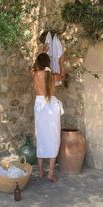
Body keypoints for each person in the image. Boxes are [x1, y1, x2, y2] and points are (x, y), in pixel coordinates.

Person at [31, 53, 65, 182]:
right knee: (53, 137)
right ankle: (50, 173)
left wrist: (41, 50)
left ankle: (40, 171)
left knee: (41, 136)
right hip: (51, 106)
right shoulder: (51, 76)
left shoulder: (34, 73)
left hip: (39, 105)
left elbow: (33, 66)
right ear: (48, 63)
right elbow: (63, 76)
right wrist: (61, 62)